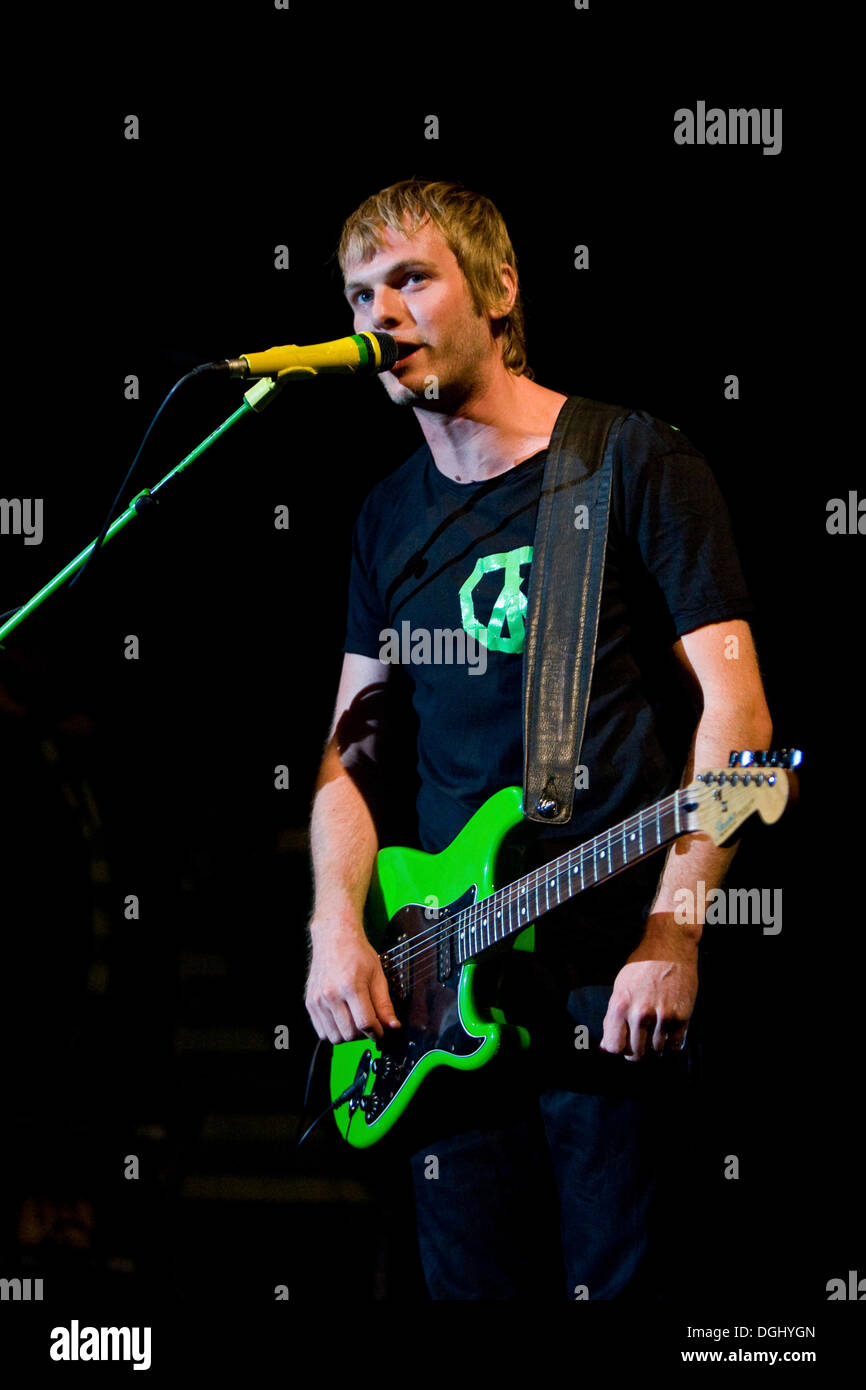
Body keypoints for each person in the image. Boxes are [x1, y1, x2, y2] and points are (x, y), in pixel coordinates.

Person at [304, 178, 773, 1300]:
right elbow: (350, 756)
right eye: (360, 291)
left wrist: (675, 935)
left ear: (501, 288)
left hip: (603, 991)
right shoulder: (385, 514)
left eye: (411, 279)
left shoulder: (631, 461)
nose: (380, 313)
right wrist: (333, 926)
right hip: (436, 1005)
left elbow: (742, 730)